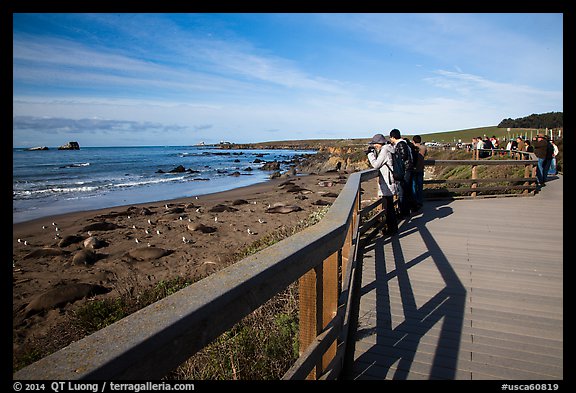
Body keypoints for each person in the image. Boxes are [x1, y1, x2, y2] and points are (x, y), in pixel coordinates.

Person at [366, 133, 398, 235]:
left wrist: (370, 155)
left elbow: (376, 165)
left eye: (375, 144)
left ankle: (391, 230)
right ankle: (392, 229)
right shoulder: (390, 148)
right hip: (391, 181)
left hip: (388, 183)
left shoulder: (384, 150)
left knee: (388, 208)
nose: (374, 146)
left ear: (379, 143)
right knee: (389, 207)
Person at [389, 128, 414, 218]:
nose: (390, 140)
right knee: (405, 191)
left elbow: (403, 157)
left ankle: (404, 212)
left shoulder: (401, 144)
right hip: (407, 170)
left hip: (405, 171)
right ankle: (406, 210)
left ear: (393, 137)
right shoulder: (405, 143)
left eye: (390, 138)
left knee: (403, 191)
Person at [411, 135, 427, 211]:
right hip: (420, 169)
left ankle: (415, 202)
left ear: (413, 141)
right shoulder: (424, 148)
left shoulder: (412, 148)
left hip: (413, 170)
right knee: (420, 187)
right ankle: (420, 201)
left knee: (414, 187)